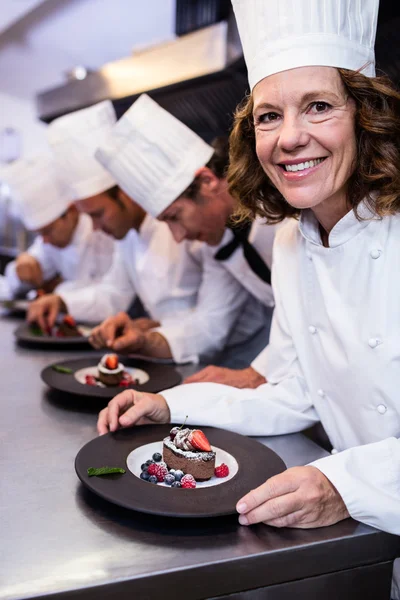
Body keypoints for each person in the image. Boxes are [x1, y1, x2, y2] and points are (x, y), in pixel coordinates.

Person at [97, 0, 400, 597]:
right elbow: (290, 392)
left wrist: (347, 482)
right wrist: (171, 404)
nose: (290, 137)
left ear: (366, 116)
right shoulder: (292, 241)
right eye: (268, 116)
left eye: (318, 106)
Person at [28, 101, 257, 364]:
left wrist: (155, 329)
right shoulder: (132, 237)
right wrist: (64, 302)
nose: (177, 234)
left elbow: (212, 322)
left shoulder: (211, 226)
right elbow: (114, 293)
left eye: (98, 214)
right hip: (176, 354)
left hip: (242, 354)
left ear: (126, 195)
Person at [93, 93, 278, 376]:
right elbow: (209, 324)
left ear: (206, 182)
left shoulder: (282, 209)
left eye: (175, 217)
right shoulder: (220, 239)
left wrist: (258, 377)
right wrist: (144, 340)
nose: (178, 237)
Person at [2, 154, 114, 299]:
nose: (45, 240)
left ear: (71, 212)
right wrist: (20, 270)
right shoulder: (49, 243)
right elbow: (9, 285)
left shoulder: (105, 231)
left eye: (48, 231)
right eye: (40, 234)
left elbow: (111, 295)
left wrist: (59, 293)